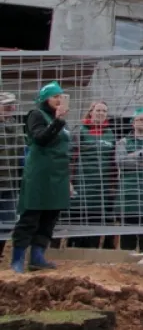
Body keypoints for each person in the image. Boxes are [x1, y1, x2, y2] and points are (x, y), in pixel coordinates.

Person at [11, 81, 73, 273]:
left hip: (58, 174)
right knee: (31, 215)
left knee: (50, 216)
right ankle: (17, 259)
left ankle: (37, 257)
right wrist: (58, 120)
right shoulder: (36, 115)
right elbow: (40, 139)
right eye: (55, 96)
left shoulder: (59, 119)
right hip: (39, 174)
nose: (58, 100)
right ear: (45, 98)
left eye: (61, 96)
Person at [68, 101, 114, 249]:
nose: (101, 113)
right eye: (98, 110)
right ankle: (74, 250)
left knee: (97, 221)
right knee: (79, 220)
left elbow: (113, 162)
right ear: (91, 112)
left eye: (104, 111)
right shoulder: (80, 131)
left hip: (102, 187)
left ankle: (92, 251)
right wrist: (69, 180)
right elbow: (70, 157)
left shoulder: (110, 134)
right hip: (82, 184)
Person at [115, 108, 143, 253]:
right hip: (129, 196)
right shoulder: (123, 142)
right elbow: (121, 162)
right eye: (142, 119)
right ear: (133, 123)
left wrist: (133, 156)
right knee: (128, 238)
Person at [0, 92, 23, 263]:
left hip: (10, 183)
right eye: (7, 105)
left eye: (12, 105)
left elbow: (22, 150)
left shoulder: (15, 125)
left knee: (7, 224)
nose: (11, 108)